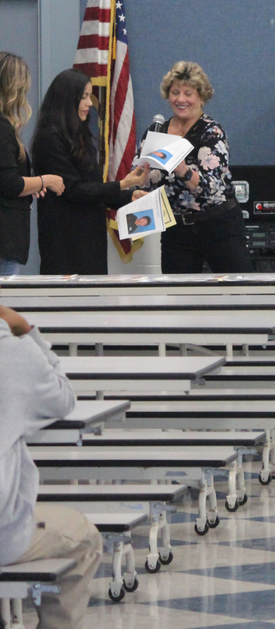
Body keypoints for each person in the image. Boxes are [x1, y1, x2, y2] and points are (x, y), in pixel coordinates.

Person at [0, 303, 102, 628]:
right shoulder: (13, 352)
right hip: (3, 532)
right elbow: (63, 398)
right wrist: (28, 333)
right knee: (85, 538)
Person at [32, 69, 149, 275]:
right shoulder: (50, 137)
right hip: (65, 242)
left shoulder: (80, 135)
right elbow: (74, 190)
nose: (89, 103)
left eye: (89, 96)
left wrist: (130, 196)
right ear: (68, 99)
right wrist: (123, 184)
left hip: (89, 239)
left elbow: (93, 187)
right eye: (84, 97)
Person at [140, 62, 251, 273]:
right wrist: (137, 183)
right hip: (177, 229)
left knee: (238, 292)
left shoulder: (212, 132)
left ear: (201, 97)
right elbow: (144, 180)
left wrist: (182, 170)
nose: (180, 99)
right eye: (175, 93)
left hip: (219, 225)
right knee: (178, 297)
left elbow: (211, 187)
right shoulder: (156, 132)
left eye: (188, 93)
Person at [0, 53, 65, 275]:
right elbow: (9, 184)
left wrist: (34, 184)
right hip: (5, 239)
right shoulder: (2, 129)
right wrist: (44, 180)